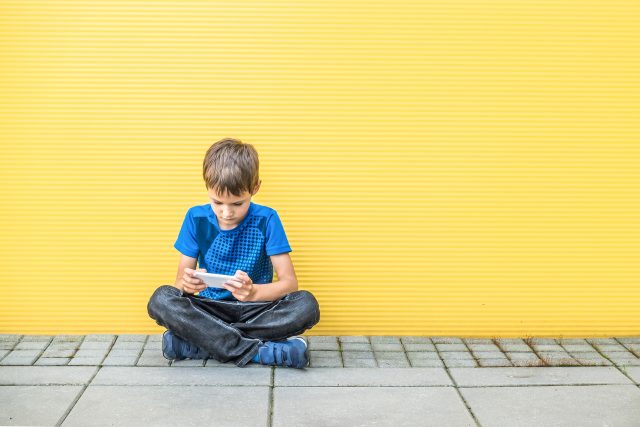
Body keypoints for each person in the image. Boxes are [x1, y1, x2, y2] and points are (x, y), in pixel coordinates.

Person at [147, 137, 320, 368]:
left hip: (256, 310)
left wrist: (253, 293)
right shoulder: (195, 217)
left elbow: (289, 284)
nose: (226, 213)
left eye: (238, 204)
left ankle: (204, 343)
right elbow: (180, 282)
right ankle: (258, 352)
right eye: (217, 202)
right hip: (210, 309)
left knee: (306, 305)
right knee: (162, 299)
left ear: (255, 188)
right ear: (207, 187)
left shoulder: (267, 219)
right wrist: (188, 285)